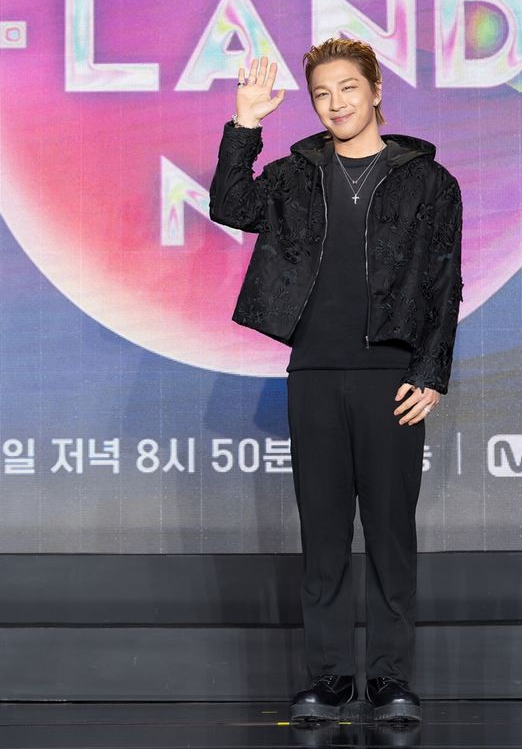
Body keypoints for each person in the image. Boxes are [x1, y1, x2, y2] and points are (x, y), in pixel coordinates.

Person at [209, 38, 463, 725]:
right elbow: (231, 206)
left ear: (376, 90)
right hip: (315, 374)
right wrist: (246, 123)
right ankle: (327, 679)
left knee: (389, 534)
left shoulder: (427, 181)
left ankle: (388, 679)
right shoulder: (297, 175)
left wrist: (431, 371)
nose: (336, 103)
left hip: (391, 378)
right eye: (322, 94)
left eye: (348, 88)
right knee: (322, 534)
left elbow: (444, 281)